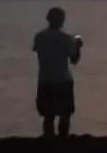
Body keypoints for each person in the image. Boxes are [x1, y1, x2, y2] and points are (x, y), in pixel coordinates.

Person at [33, 7, 82, 138]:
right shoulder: (65, 39)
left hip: (45, 80)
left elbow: (39, 52)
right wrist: (77, 47)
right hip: (62, 80)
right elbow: (74, 59)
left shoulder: (39, 37)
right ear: (62, 20)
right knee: (65, 114)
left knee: (48, 115)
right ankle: (63, 140)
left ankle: (49, 141)